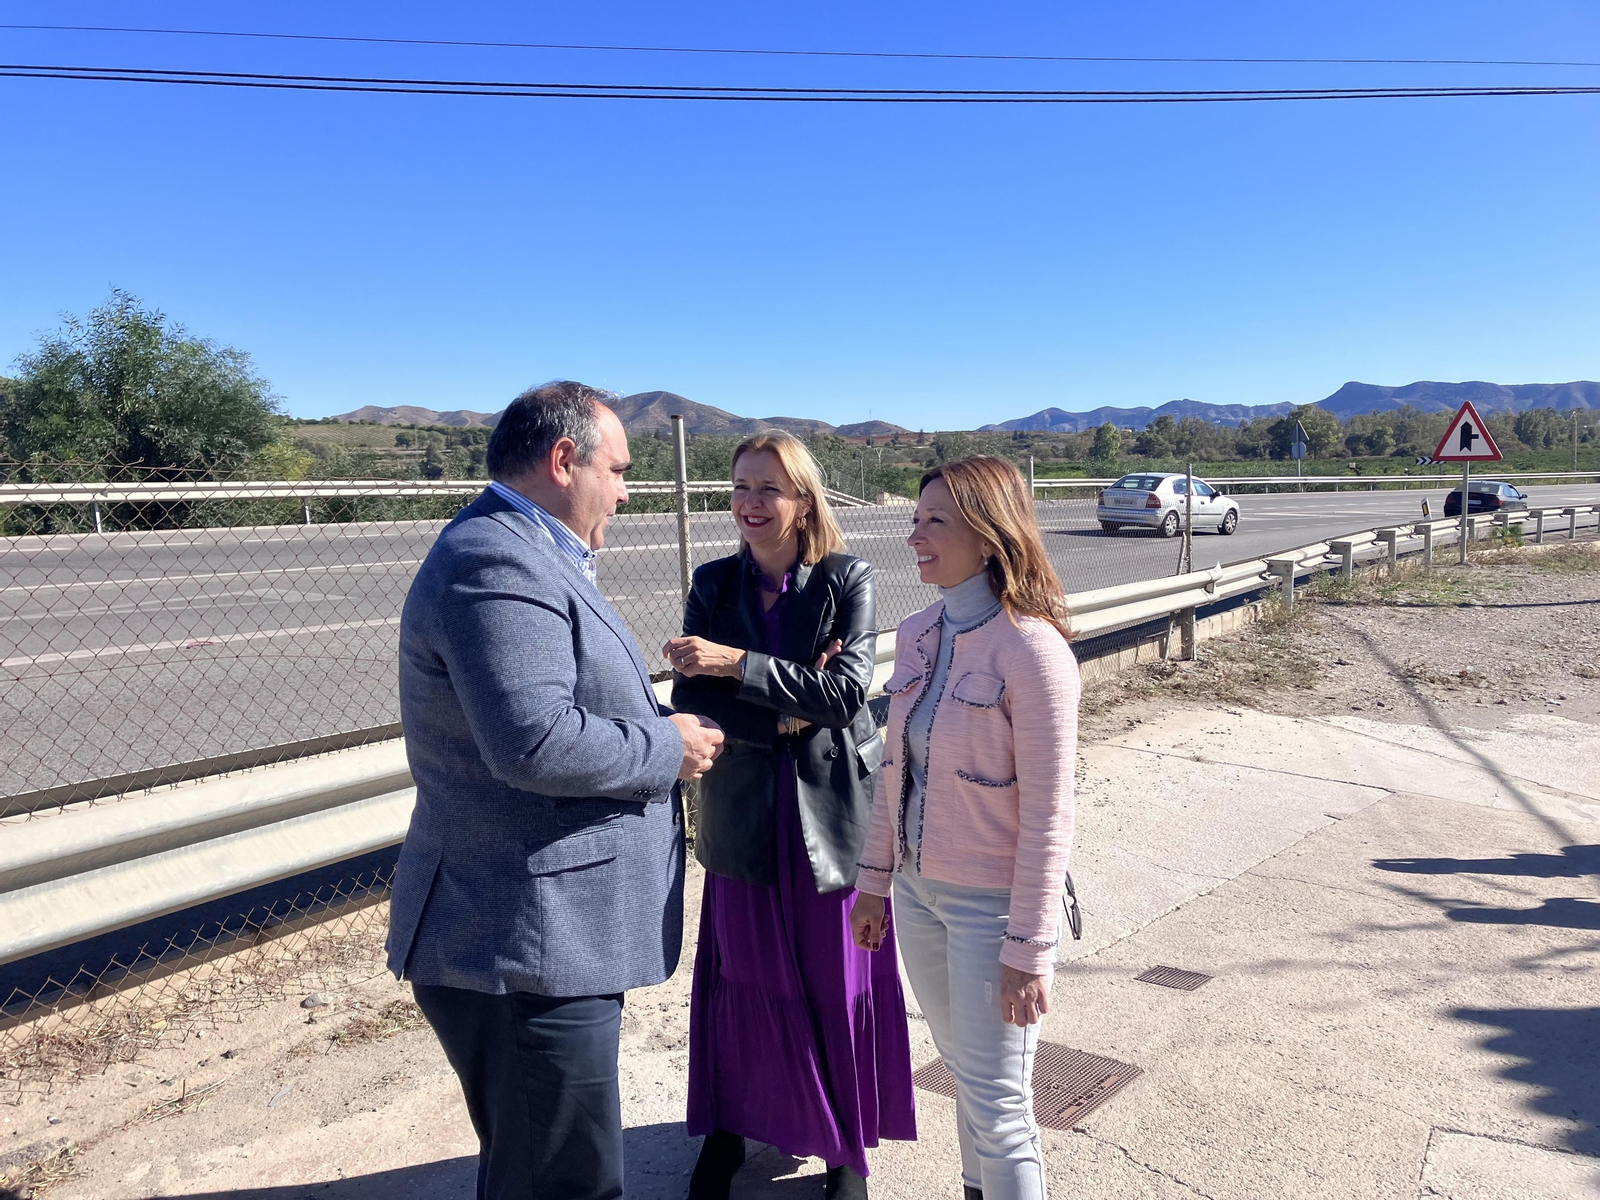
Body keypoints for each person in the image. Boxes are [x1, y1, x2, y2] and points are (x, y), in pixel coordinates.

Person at [387, 381, 726, 1200]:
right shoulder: (495, 559)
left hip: (539, 938)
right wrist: (664, 743)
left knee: (539, 1167)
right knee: (564, 1181)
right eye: (618, 469)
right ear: (564, 460)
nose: (627, 488)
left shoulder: (530, 548)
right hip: (521, 944)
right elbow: (534, 741)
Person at [665, 431, 916, 1200]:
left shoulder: (848, 578)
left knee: (835, 978)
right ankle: (728, 1132)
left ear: (802, 500)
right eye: (739, 486)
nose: (748, 502)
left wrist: (736, 663)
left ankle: (846, 1151)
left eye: (766, 488)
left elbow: (844, 695)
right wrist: (782, 703)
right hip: (744, 806)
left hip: (833, 811)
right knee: (742, 978)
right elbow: (690, 701)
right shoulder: (712, 584)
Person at [850, 456, 1079, 1200]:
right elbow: (893, 771)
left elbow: (1050, 814)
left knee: (1003, 1105)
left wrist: (1029, 947)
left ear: (987, 536)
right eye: (915, 520)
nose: (916, 536)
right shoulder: (919, 632)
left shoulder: (1033, 651)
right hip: (919, 896)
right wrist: (876, 885)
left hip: (993, 907)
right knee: (968, 1082)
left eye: (935, 522)